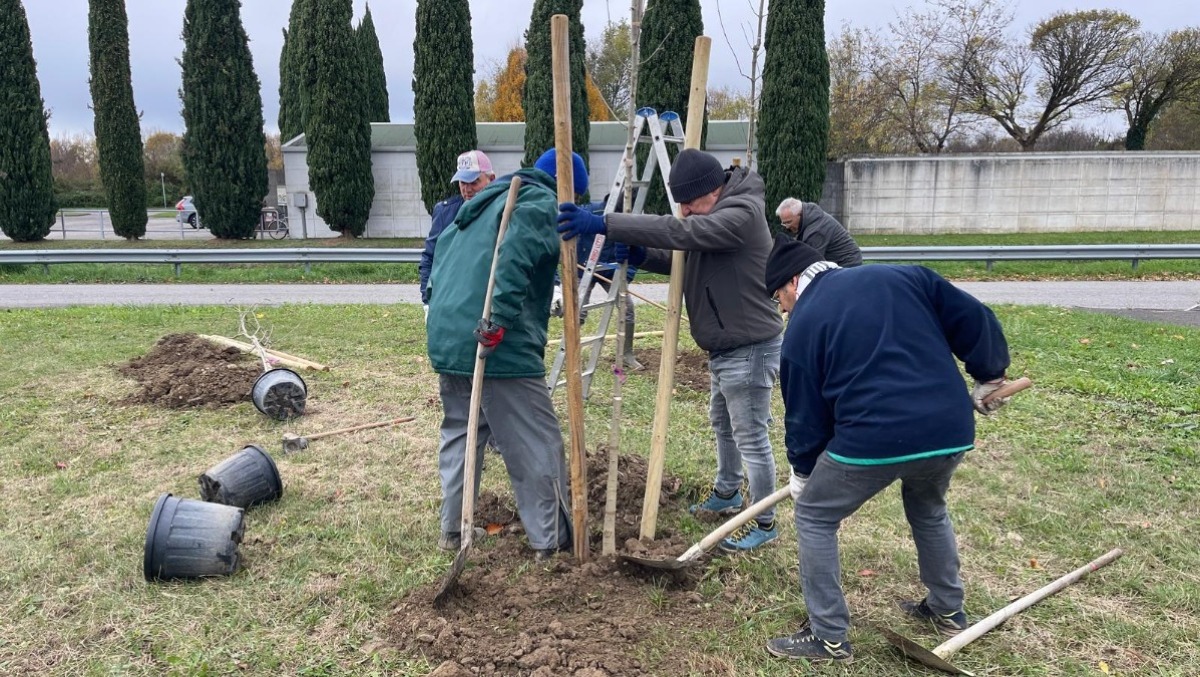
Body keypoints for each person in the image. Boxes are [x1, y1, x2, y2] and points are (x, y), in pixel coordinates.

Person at [761, 237, 1014, 662]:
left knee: (814, 515)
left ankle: (829, 638)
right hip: (948, 428)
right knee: (928, 505)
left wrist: (803, 474)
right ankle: (947, 609)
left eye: (779, 299)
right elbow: (974, 317)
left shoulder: (803, 323)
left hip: (875, 436)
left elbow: (805, 415)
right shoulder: (904, 275)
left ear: (792, 282)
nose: (783, 309)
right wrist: (989, 374)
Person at [556, 148, 784, 552]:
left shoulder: (742, 213)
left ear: (711, 191)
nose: (683, 210)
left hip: (750, 347)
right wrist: (645, 254)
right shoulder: (714, 214)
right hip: (726, 345)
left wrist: (608, 223)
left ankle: (764, 519)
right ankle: (729, 491)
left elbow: (686, 234)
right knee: (723, 424)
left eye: (688, 201)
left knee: (750, 435)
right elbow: (687, 255)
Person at [425, 148, 587, 560]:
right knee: (535, 439)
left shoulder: (479, 206)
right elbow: (513, 255)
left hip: (450, 337)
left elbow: (442, 256)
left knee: (462, 435)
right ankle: (549, 540)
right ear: (569, 188)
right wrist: (497, 321)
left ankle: (452, 529)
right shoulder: (537, 202)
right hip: (497, 344)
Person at [419, 150, 496, 321]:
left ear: (491, 179)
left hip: (492, 298)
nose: (467, 189)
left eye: (474, 182)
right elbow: (430, 258)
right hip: (454, 301)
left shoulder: (503, 211)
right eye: (462, 182)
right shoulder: (445, 212)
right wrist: (427, 301)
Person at [775, 197, 862, 268]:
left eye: (788, 222)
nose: (786, 227)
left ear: (800, 214)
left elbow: (810, 262)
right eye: (783, 223)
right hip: (838, 263)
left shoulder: (816, 231)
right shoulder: (809, 219)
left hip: (847, 265)